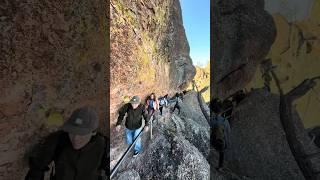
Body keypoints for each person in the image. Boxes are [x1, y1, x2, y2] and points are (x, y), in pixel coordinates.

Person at [25, 106, 109, 180]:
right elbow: (36, 169)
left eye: (81, 134)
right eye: (72, 132)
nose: (75, 138)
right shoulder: (58, 140)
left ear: (93, 132)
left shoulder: (103, 145)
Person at [210, 104, 231, 171]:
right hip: (221, 143)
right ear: (221, 112)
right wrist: (227, 144)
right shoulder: (225, 121)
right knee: (222, 153)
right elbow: (228, 133)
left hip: (213, 141)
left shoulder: (212, 120)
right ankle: (220, 167)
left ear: (214, 112)